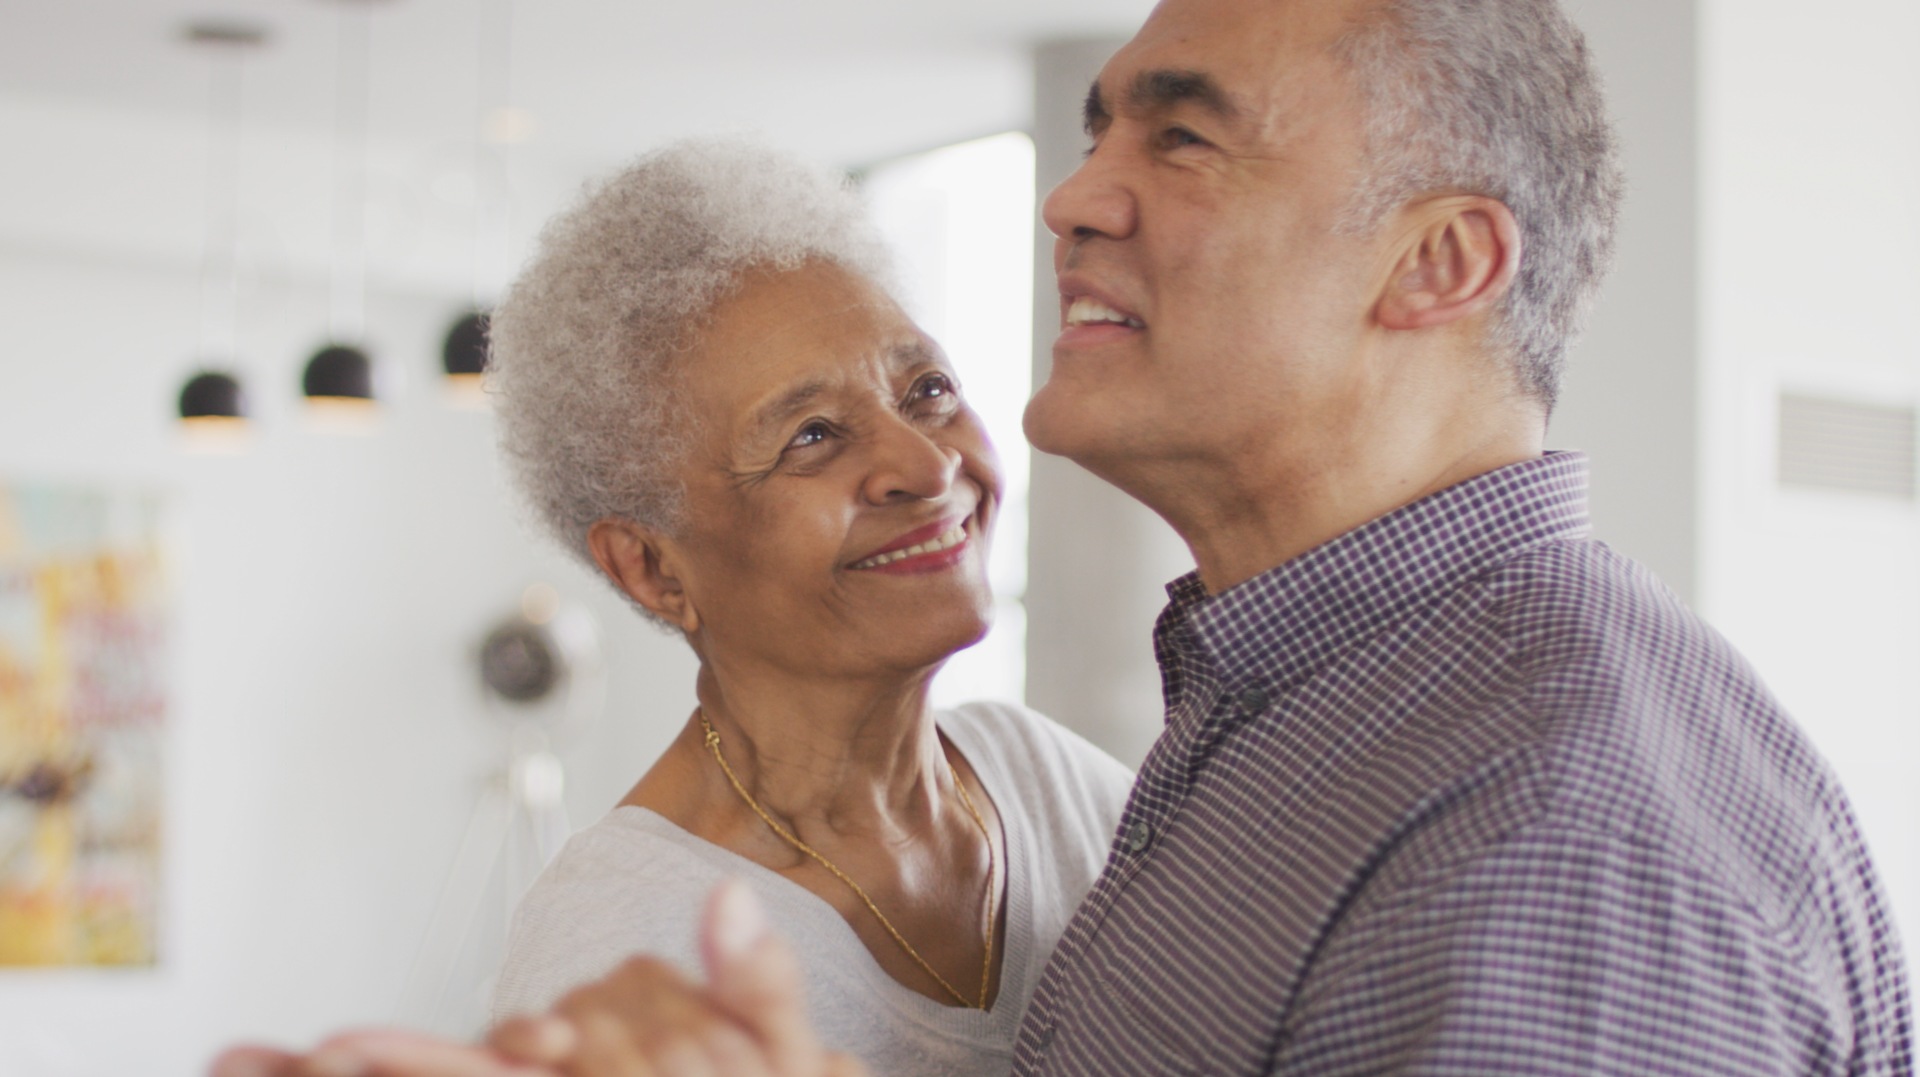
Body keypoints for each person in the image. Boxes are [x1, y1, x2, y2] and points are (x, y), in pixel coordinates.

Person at [215, 0, 1915, 1073]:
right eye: (1099, 122)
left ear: (1441, 266)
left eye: (1181, 134)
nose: (1071, 194)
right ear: (648, 567)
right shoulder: (1265, 729)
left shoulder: (1548, 831)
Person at [213, 142, 1133, 1077]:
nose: (928, 464)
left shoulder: (1049, 779)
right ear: (651, 568)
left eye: (926, 390)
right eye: (811, 436)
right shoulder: (623, 949)